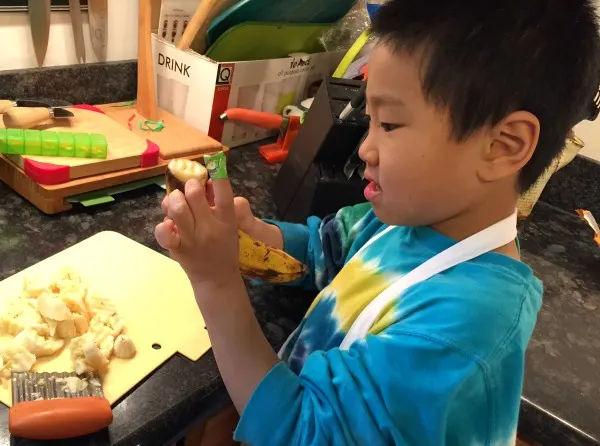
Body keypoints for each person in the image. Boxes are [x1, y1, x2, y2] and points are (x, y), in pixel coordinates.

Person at [155, 0, 600, 444]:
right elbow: (326, 247)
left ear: (503, 146)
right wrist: (258, 236)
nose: (365, 148)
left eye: (389, 124)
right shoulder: (408, 218)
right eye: (370, 122)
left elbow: (300, 430)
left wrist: (217, 285)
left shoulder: (465, 327)